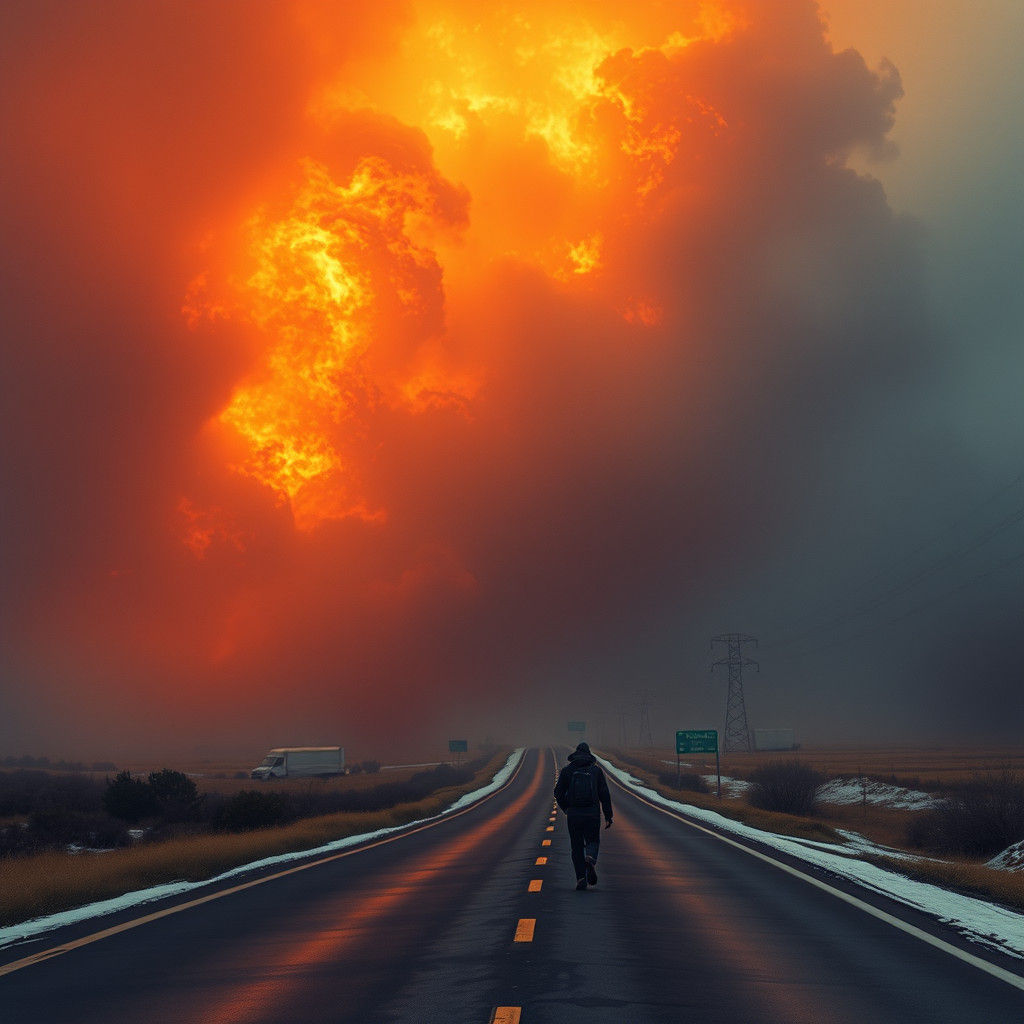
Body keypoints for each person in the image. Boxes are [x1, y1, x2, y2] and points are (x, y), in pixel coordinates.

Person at [554, 742, 613, 890]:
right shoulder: (596, 771)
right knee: (593, 840)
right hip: (592, 814)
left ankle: (581, 877)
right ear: (589, 755)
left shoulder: (567, 771)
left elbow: (558, 792)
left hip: (574, 815)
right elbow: (604, 794)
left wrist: (566, 808)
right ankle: (590, 858)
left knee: (576, 846)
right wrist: (608, 815)